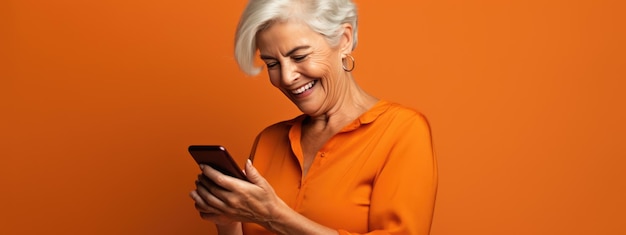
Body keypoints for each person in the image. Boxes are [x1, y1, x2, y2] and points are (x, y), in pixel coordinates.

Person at [189, 0, 438, 234]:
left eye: (299, 56)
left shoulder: (402, 131)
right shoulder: (268, 141)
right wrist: (227, 220)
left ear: (344, 39)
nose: (286, 77)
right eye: (272, 64)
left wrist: (274, 216)